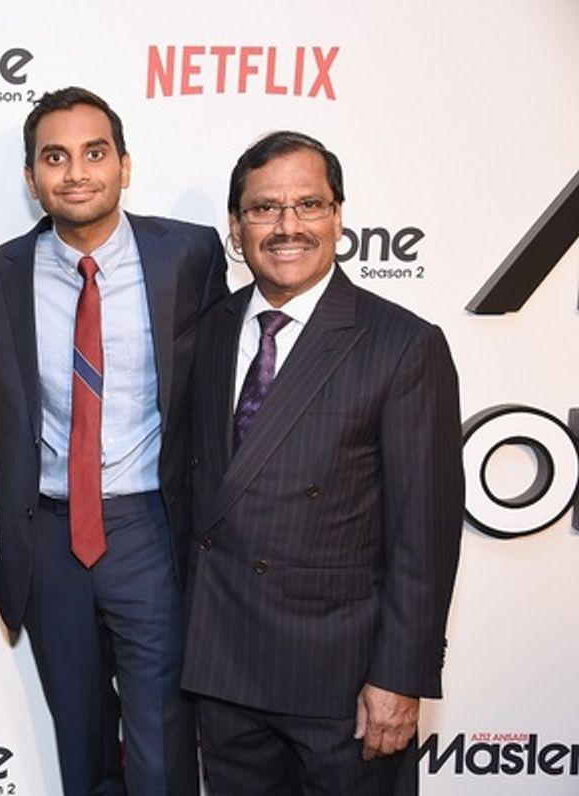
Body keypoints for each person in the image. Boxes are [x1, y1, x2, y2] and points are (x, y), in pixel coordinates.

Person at [0, 87, 228, 794]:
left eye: (94, 153)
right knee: (79, 749)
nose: (76, 172)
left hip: (151, 529)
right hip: (47, 538)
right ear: (31, 178)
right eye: (55, 157)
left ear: (124, 165)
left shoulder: (189, 256)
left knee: (162, 746)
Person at [181, 130, 464, 795]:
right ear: (235, 226)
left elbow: (424, 538)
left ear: (339, 218)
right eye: (263, 208)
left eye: (308, 205)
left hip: (342, 688)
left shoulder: (401, 345)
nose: (286, 227)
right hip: (223, 676)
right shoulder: (211, 329)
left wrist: (400, 676)